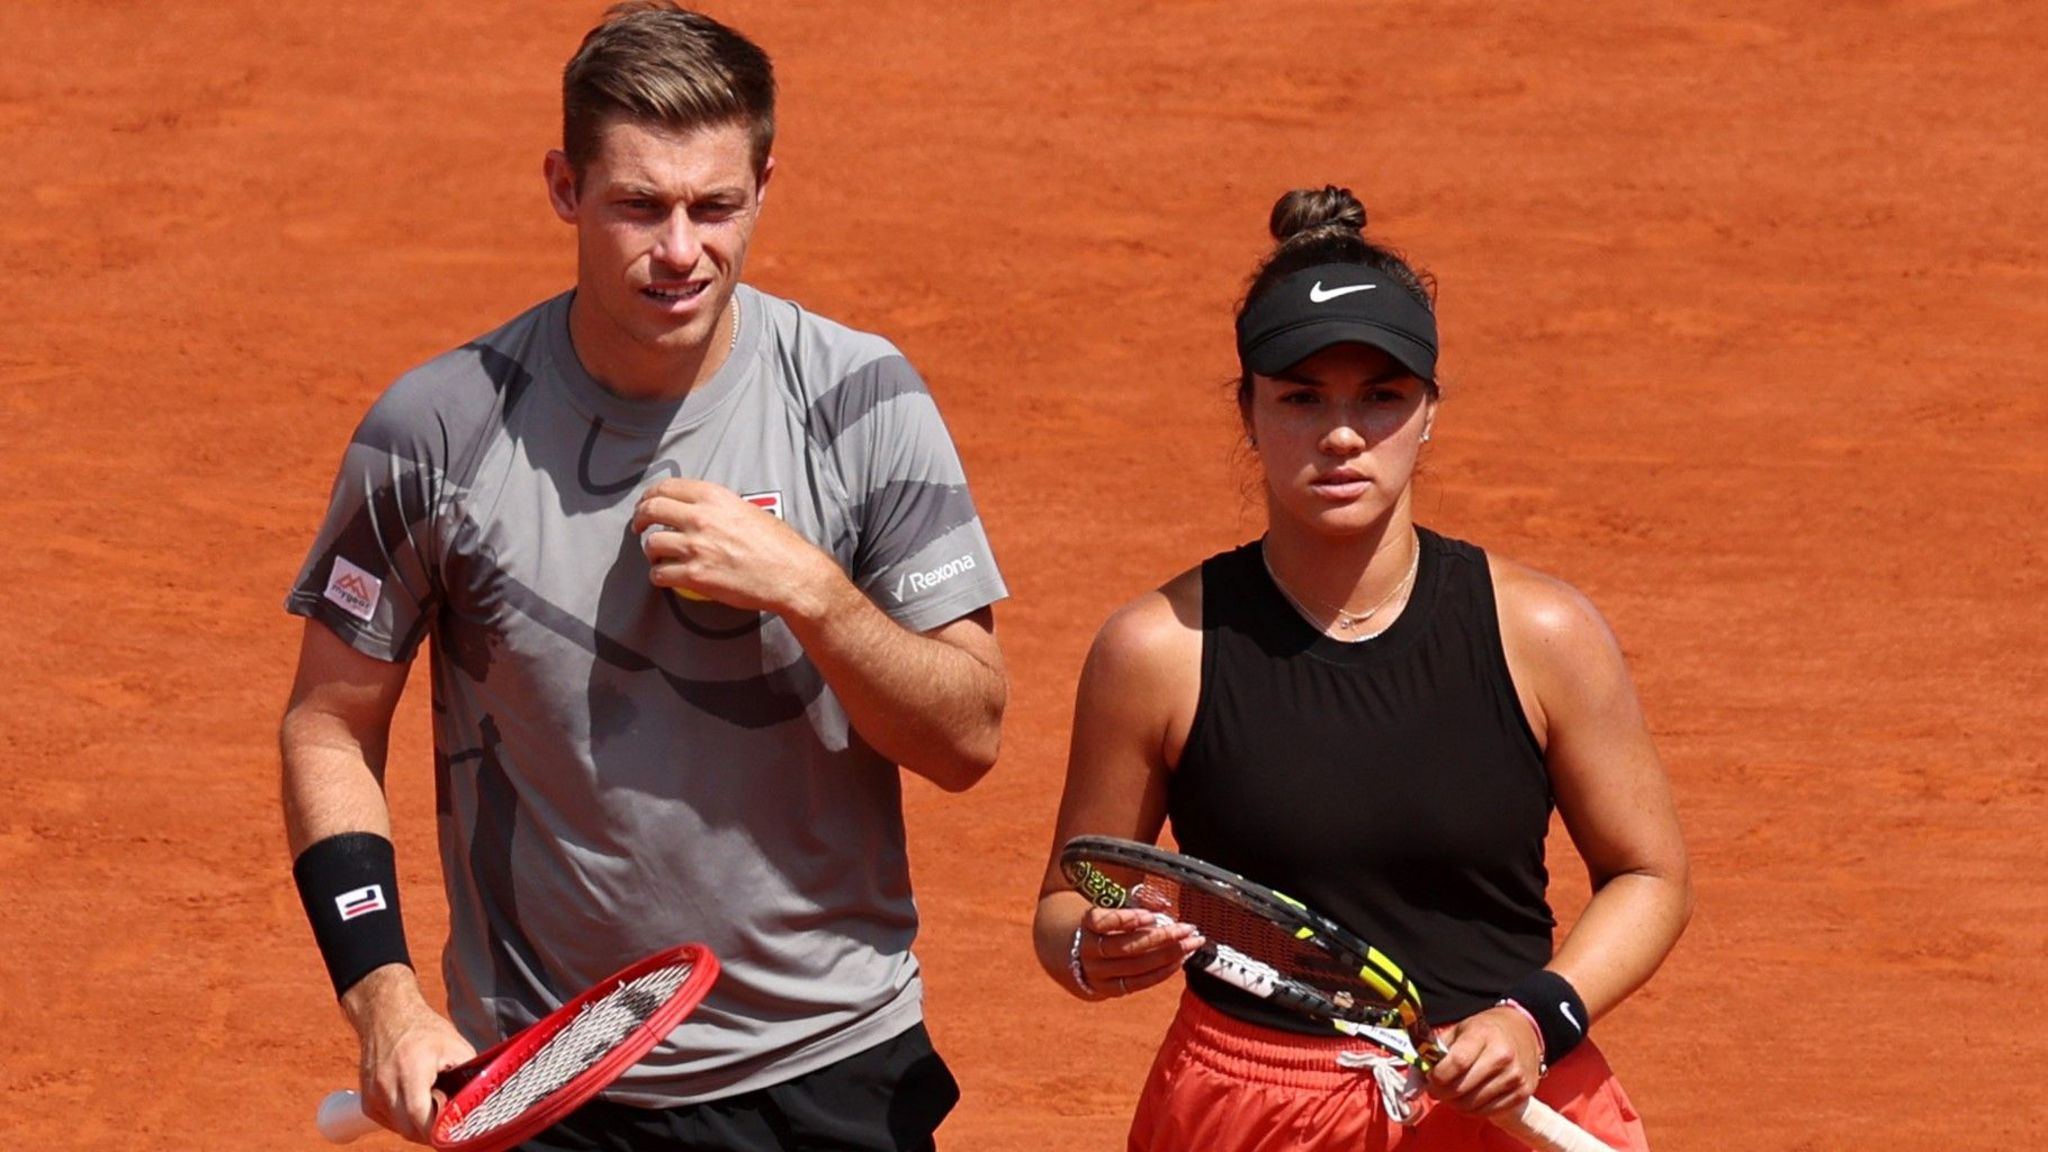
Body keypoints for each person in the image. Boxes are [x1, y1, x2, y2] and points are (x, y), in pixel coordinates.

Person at [280, 5, 1007, 1149]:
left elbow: (967, 735)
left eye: (716, 206)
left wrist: (813, 592)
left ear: (766, 183)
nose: (681, 251)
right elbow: (328, 728)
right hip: (553, 1076)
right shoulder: (434, 433)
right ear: (564, 187)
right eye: (639, 205)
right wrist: (382, 998)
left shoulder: (862, 400)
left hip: (833, 1065)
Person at [1031, 185, 1691, 1151]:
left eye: (1382, 397)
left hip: (1510, 1093)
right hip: (1248, 1111)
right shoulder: (1158, 650)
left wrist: (1535, 1016)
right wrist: (1095, 948)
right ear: (1248, 414)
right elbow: (1074, 894)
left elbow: (1649, 874)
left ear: (1430, 413)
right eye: (1302, 398)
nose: (1342, 434)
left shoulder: (1543, 631)